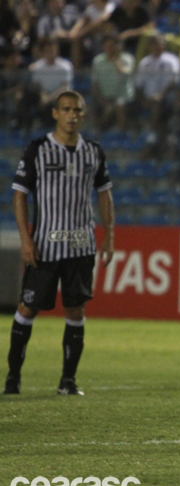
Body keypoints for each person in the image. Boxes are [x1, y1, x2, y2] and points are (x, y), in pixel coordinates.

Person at [4, 90, 115, 396]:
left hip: (81, 246)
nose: (71, 115)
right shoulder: (37, 149)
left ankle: (68, 382)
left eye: (77, 110)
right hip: (45, 247)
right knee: (27, 309)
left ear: (83, 114)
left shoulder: (93, 151)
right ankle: (13, 379)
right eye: (66, 109)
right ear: (55, 113)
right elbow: (19, 195)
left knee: (76, 312)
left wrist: (109, 235)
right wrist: (26, 239)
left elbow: (104, 193)